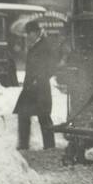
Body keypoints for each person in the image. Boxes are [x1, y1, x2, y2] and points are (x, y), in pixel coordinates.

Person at [13, 20, 61, 150]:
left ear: (35, 32)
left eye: (29, 33)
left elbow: (52, 66)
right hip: (30, 87)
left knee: (44, 116)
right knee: (23, 114)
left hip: (40, 88)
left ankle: (49, 146)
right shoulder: (34, 45)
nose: (27, 36)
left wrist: (40, 78)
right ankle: (23, 145)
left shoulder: (45, 45)